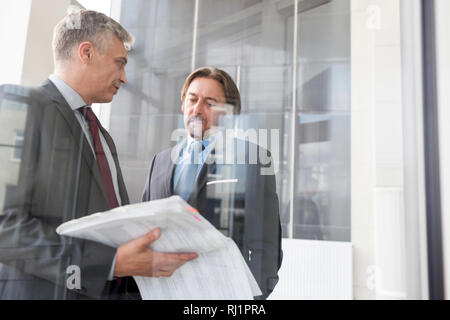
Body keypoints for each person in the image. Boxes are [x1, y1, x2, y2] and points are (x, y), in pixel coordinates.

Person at [0, 10, 197, 300]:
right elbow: (5, 226)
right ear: (87, 52)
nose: (125, 78)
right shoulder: (20, 105)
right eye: (120, 63)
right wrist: (110, 263)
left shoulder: (102, 137)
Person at [142, 67, 282, 299]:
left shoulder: (252, 160)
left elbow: (266, 246)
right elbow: (145, 229)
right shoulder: (160, 161)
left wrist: (250, 297)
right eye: (193, 99)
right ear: (183, 104)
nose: (197, 109)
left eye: (209, 103)